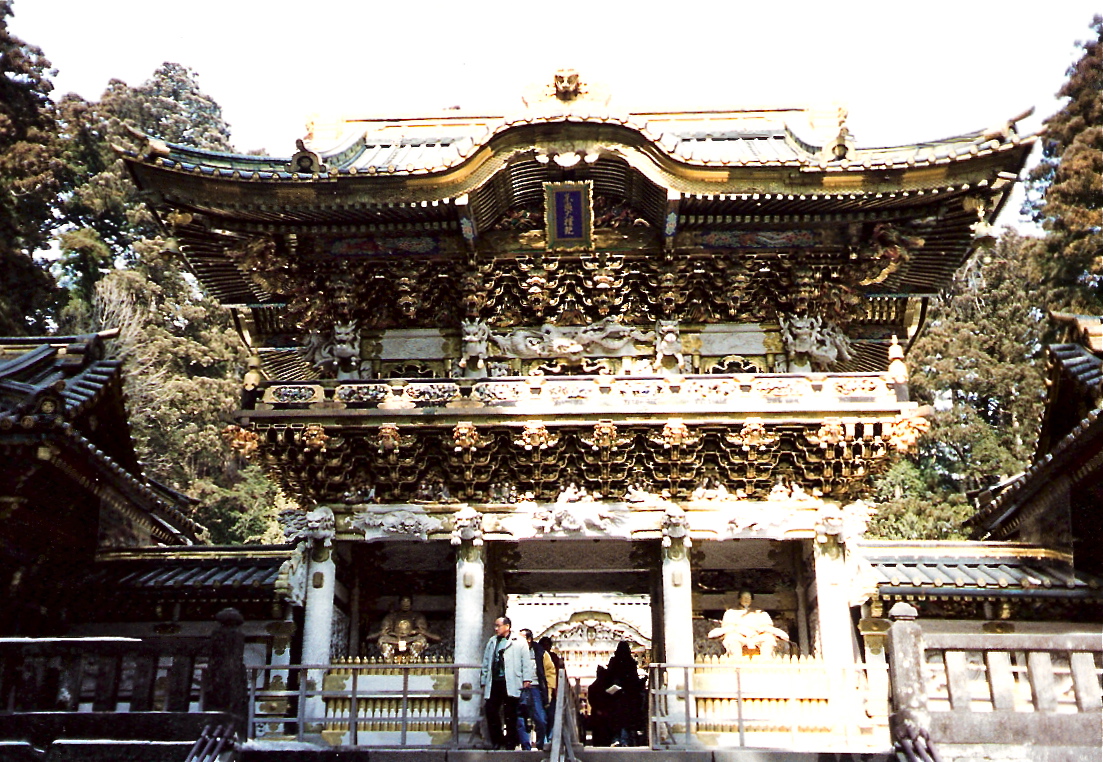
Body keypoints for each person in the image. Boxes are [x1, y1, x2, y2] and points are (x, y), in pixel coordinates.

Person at [480, 616, 536, 749]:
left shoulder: (519, 641)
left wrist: (526, 679)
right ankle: (497, 740)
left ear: (507, 626)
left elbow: (526, 662)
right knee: (491, 710)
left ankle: (511, 742)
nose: (496, 629)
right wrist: (483, 679)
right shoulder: (492, 641)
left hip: (511, 681)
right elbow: (487, 661)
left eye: (498, 626)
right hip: (495, 681)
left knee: (510, 713)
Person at [707, 590, 790, 657]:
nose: (746, 599)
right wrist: (737, 629)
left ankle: (766, 662)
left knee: (768, 638)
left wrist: (762, 629)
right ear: (739, 599)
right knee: (731, 638)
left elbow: (768, 627)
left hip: (757, 636)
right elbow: (727, 628)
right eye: (744, 597)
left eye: (748, 597)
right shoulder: (731, 612)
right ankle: (737, 663)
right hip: (738, 636)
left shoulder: (760, 613)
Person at [367, 595, 440, 660]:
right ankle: (389, 661)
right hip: (394, 638)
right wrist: (389, 633)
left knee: (420, 640)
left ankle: (413, 660)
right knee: (383, 640)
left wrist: (416, 632)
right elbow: (385, 630)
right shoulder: (392, 616)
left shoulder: (417, 616)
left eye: (408, 601)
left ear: (411, 603)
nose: (406, 604)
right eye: (403, 601)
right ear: (399, 603)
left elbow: (421, 630)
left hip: (410, 638)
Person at [603, 641, 645, 747]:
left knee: (619, 719)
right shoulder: (630, 663)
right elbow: (634, 680)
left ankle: (618, 738)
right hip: (626, 697)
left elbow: (608, 678)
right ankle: (624, 739)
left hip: (618, 697)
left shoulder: (615, 662)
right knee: (625, 719)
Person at [516, 629, 551, 749]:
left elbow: (549, 672)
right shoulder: (514, 652)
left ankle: (541, 743)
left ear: (529, 640)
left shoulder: (540, 652)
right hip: (519, 687)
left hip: (535, 687)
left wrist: (550, 690)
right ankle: (526, 746)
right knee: (521, 717)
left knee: (540, 718)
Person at [538, 636, 562, 734]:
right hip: (540, 689)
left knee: (551, 715)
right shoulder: (538, 656)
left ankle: (550, 737)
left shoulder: (554, 658)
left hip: (552, 690)